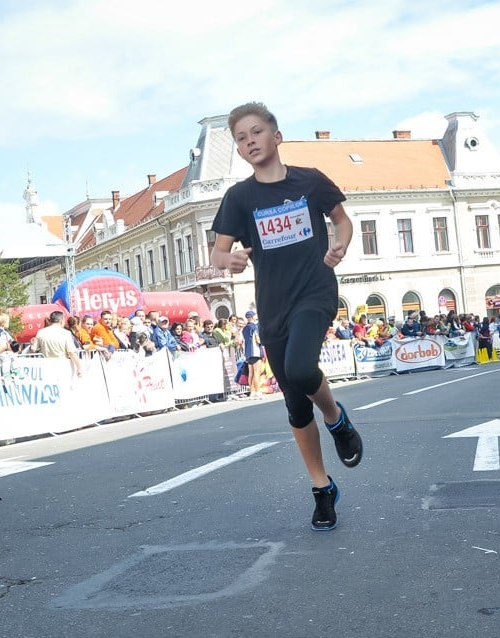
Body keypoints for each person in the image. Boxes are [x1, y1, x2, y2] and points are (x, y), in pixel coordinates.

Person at [210, 102, 362, 531]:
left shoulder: (309, 181)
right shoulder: (240, 198)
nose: (250, 141)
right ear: (239, 150)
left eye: (256, 132)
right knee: (295, 405)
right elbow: (218, 250)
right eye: (241, 138)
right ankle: (322, 489)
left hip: (314, 291)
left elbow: (343, 220)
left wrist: (340, 245)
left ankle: (337, 419)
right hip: (272, 305)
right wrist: (230, 258)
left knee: (299, 368)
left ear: (276, 137)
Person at [34, 310, 83, 376]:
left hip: (46, 367)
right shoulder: (66, 333)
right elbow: (72, 352)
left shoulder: (40, 332)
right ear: (61, 320)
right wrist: (79, 368)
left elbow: (34, 349)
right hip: (62, 366)